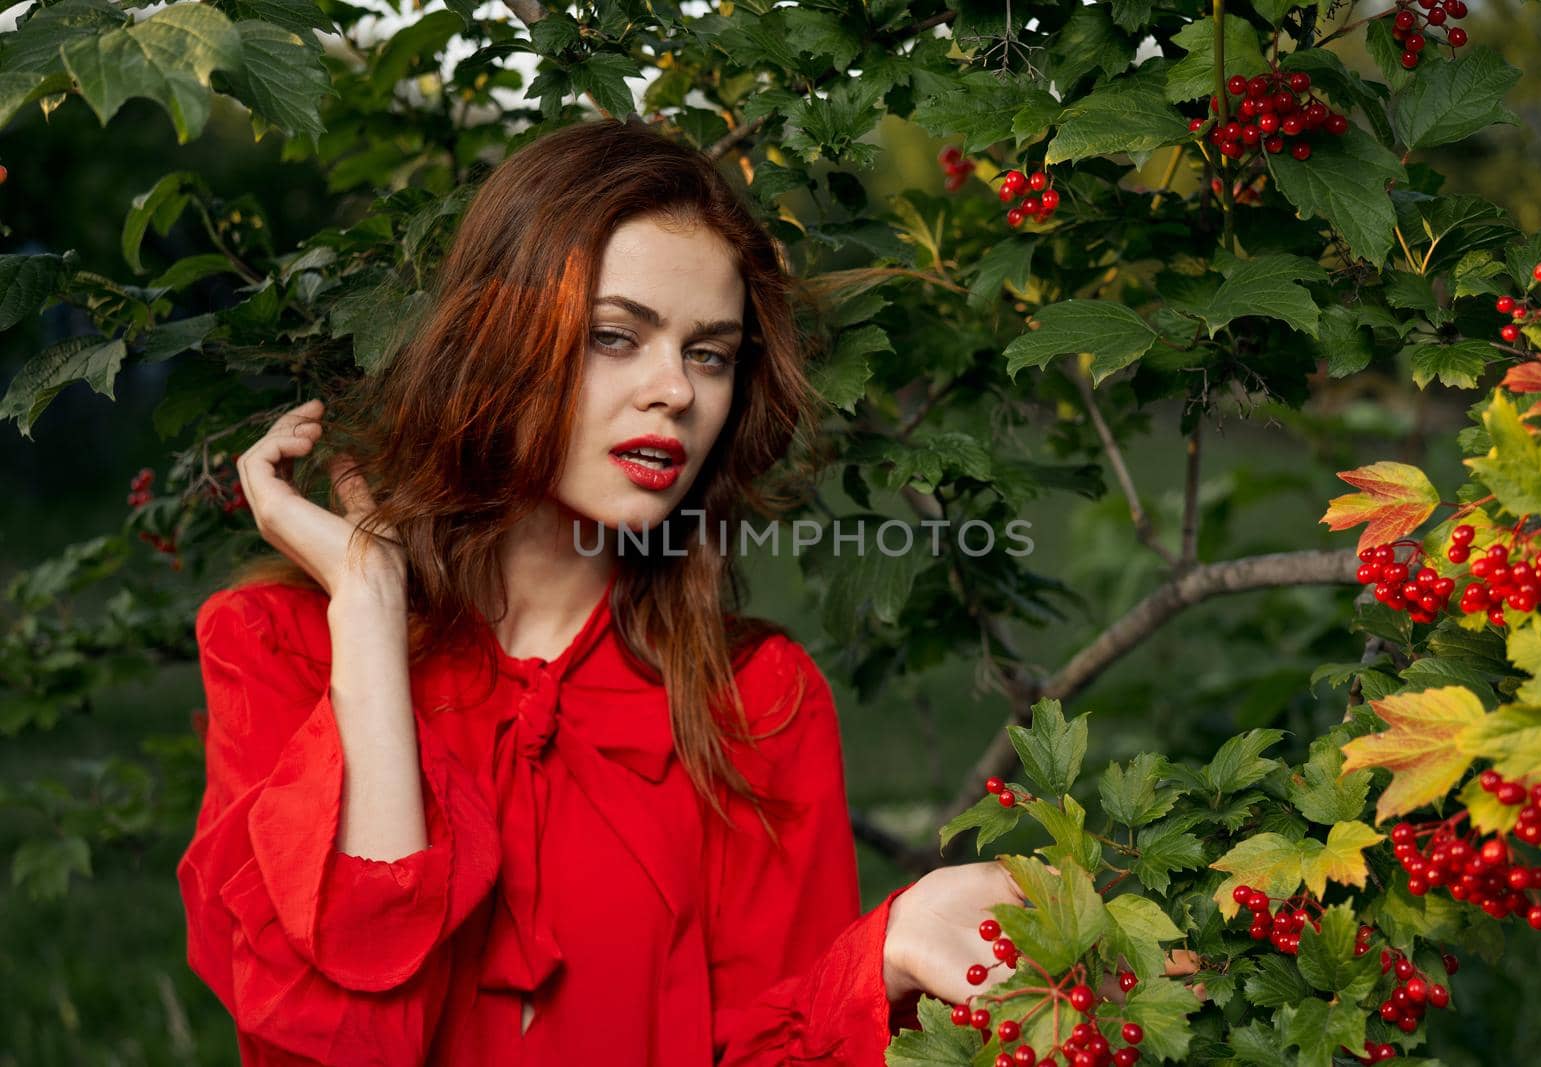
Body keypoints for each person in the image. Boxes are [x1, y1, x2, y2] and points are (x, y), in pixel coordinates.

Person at [174, 117, 1113, 1066]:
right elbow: (339, 1044)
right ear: (500, 341)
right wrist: (371, 620)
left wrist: (888, 951)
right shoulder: (280, 643)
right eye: (618, 336)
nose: (676, 390)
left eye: (709, 353)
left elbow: (759, 1047)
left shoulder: (757, 701)